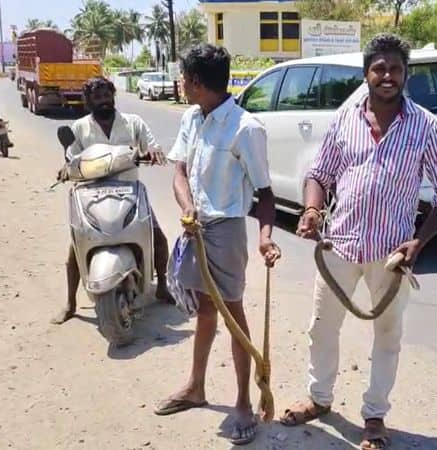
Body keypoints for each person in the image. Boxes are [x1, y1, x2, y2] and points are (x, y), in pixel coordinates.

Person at [279, 33, 437, 450]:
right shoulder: (346, 119)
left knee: (387, 336)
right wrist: (311, 210)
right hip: (339, 246)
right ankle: (319, 398)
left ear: (405, 75)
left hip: (391, 254)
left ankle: (375, 416)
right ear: (366, 74)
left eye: (396, 69)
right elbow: (319, 174)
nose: (387, 76)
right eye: (379, 68)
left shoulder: (425, 127)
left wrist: (418, 242)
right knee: (321, 329)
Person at [154, 44, 281, 446]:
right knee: (206, 308)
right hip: (195, 229)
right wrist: (187, 206)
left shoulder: (246, 128)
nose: (181, 84)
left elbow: (264, 193)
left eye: (184, 77)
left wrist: (264, 237)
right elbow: (179, 170)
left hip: (225, 231)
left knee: (232, 313)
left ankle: (244, 402)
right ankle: (196, 387)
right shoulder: (192, 117)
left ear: (195, 82)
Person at [50, 76, 173, 325]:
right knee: (74, 251)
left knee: (158, 239)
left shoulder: (133, 123)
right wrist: (66, 169)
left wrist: (153, 153)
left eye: (107, 96)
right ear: (88, 101)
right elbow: (71, 159)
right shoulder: (79, 128)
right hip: (91, 196)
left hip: (129, 191)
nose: (104, 101)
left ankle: (162, 285)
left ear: (113, 96)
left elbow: (152, 146)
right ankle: (71, 303)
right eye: (97, 97)